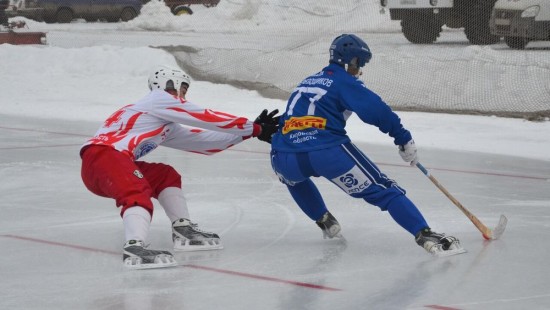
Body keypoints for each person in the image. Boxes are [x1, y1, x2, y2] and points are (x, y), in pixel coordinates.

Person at [269, 34, 464, 256]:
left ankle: (323, 218)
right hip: (327, 152)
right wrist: (402, 138)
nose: (359, 70)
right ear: (350, 61)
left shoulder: (307, 81)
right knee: (385, 190)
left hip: (284, 156)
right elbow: (376, 110)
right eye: (359, 64)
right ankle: (425, 234)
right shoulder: (344, 81)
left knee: (293, 180)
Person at [80, 65, 279, 269]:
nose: (183, 95)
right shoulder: (158, 99)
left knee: (165, 176)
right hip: (103, 156)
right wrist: (254, 127)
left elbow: (204, 143)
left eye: (185, 90)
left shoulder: (161, 118)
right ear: (166, 85)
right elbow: (205, 116)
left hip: (104, 163)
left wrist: (249, 132)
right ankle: (134, 247)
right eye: (181, 88)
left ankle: (183, 229)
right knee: (136, 192)